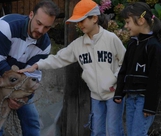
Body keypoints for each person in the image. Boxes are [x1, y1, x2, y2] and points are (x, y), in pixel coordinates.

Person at [18, 0, 126, 135]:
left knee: (113, 130)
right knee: (97, 131)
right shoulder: (78, 45)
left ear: (94, 18)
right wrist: (37, 65)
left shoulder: (111, 39)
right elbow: (59, 58)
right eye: (78, 22)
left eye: (82, 20)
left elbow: (125, 62)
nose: (79, 25)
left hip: (113, 93)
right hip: (96, 95)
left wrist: (114, 80)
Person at [0, 0, 59, 136]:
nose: (41, 30)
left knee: (32, 119)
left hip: (16, 81)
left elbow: (32, 75)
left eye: (47, 27)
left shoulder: (45, 45)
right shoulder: (6, 26)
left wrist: (22, 97)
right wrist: (12, 93)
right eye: (39, 23)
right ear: (31, 15)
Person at [113, 2, 161, 136]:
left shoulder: (153, 46)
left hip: (143, 100)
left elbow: (155, 79)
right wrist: (119, 92)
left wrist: (150, 107)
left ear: (140, 20)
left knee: (138, 134)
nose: (126, 26)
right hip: (130, 98)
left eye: (128, 22)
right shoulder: (133, 43)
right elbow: (125, 69)